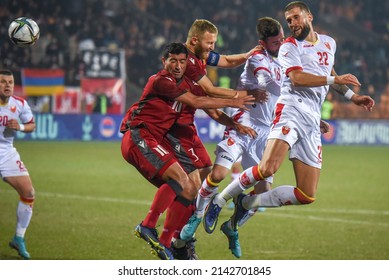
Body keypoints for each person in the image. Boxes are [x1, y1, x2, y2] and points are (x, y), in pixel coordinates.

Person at [202, 1, 375, 249]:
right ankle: (219, 200)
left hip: (312, 119)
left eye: (295, 18)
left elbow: (328, 72)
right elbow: (297, 78)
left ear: (309, 16)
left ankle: (246, 204)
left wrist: (352, 97)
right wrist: (334, 78)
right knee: (267, 168)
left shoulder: (329, 42)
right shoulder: (288, 47)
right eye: (289, 20)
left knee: (306, 194)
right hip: (291, 110)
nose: (292, 23)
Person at [120, 43, 254, 260]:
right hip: (139, 135)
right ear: (164, 62)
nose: (178, 65)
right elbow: (197, 101)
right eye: (173, 60)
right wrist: (234, 99)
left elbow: (209, 108)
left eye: (182, 61)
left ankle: (169, 243)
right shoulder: (161, 81)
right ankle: (148, 226)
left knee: (188, 188)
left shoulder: (185, 83)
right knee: (184, 182)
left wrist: (234, 124)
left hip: (156, 139)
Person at [158, 19, 268, 258]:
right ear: (195, 41)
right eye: (209, 43)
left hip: (188, 125)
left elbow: (227, 60)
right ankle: (171, 238)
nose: (211, 48)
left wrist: (248, 54)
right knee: (192, 184)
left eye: (213, 43)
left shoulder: (202, 57)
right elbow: (210, 91)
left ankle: (182, 237)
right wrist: (246, 95)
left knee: (204, 178)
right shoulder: (188, 60)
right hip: (174, 127)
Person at [179, 17, 285, 258]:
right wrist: (247, 92)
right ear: (264, 43)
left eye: (282, 40)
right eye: (276, 41)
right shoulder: (259, 58)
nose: (281, 44)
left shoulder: (283, 58)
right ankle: (197, 217)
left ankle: (232, 226)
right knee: (217, 174)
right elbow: (264, 83)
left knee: (263, 193)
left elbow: (226, 60)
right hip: (243, 122)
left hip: (266, 132)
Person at [0, 69, 36, 259]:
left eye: (11, 82)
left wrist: (20, 127)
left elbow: (31, 125)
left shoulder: (19, 104)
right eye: (3, 82)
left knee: (28, 193)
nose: (7, 86)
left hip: (6, 152)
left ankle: (18, 238)